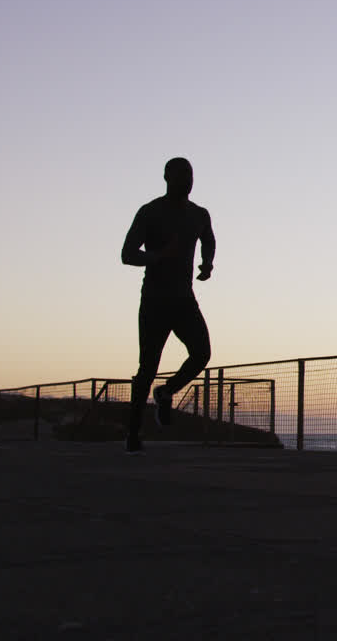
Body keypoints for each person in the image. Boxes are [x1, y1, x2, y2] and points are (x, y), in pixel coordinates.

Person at [120, 157, 215, 455]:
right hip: (155, 300)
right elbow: (127, 254)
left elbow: (208, 239)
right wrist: (158, 256)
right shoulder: (150, 212)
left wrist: (207, 263)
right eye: (180, 175)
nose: (186, 180)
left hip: (184, 299)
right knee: (147, 367)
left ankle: (166, 392)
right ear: (166, 178)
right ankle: (133, 434)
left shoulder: (199, 214)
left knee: (201, 353)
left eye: (190, 175)